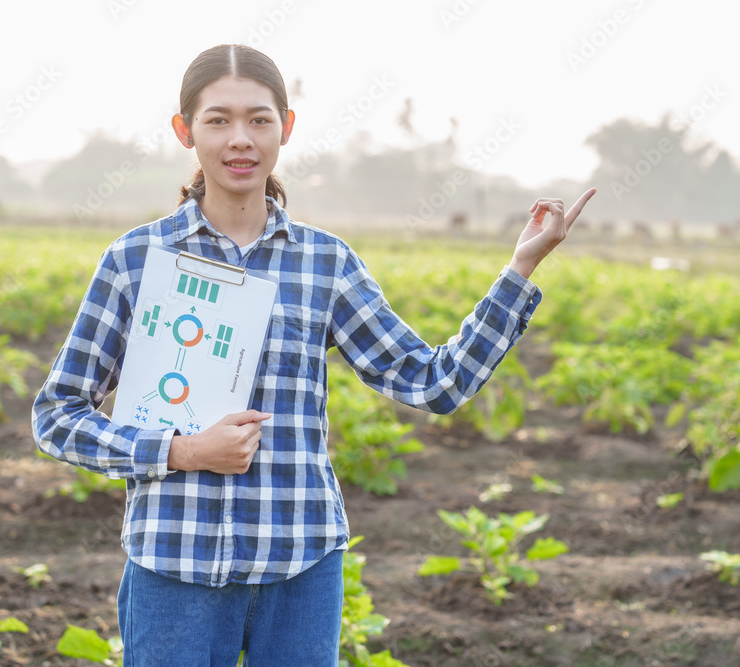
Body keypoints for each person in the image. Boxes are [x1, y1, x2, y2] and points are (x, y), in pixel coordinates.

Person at [31, 43, 595, 666]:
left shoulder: (325, 264)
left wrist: (520, 268)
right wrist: (181, 450)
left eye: (259, 119)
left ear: (286, 128)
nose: (240, 138)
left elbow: (434, 383)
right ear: (185, 131)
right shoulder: (137, 260)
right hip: (174, 561)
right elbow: (57, 414)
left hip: (300, 562)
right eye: (218, 120)